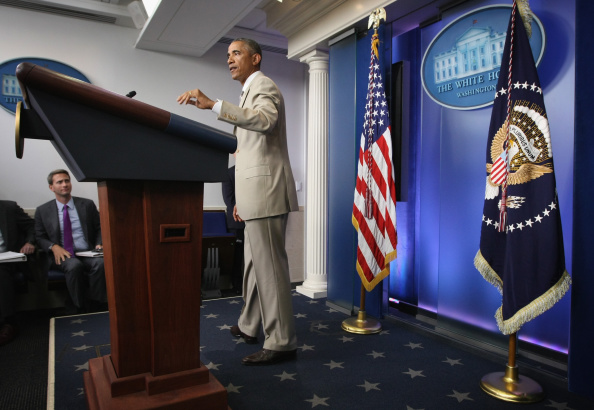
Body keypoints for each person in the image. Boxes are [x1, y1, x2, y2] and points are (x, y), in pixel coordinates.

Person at [177, 38, 299, 366]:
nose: (229, 59)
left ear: (255, 58)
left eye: (236, 53)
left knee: (270, 269)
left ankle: (282, 341)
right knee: (253, 267)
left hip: (268, 192)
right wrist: (240, 197)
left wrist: (215, 105)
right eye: (228, 54)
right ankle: (250, 325)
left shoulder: (264, 85)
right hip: (253, 194)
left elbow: (264, 121)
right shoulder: (248, 90)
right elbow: (246, 148)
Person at [35, 169, 106, 313]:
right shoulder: (43, 210)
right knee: (74, 266)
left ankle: (97, 304)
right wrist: (53, 246)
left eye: (67, 180)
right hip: (63, 254)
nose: (64, 184)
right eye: (59, 182)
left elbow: (100, 227)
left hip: (87, 251)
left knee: (101, 263)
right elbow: (39, 236)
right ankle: (78, 307)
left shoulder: (86, 205)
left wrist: (100, 243)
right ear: (51, 187)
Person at [0, 200, 36, 346]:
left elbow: (32, 226)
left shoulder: (8, 208)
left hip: (6, 259)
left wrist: (30, 242)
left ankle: (8, 323)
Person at [221, 164, 245, 295]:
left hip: (254, 221)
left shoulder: (251, 170)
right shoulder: (229, 173)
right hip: (236, 222)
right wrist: (242, 213)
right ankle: (237, 286)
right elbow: (228, 200)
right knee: (237, 257)